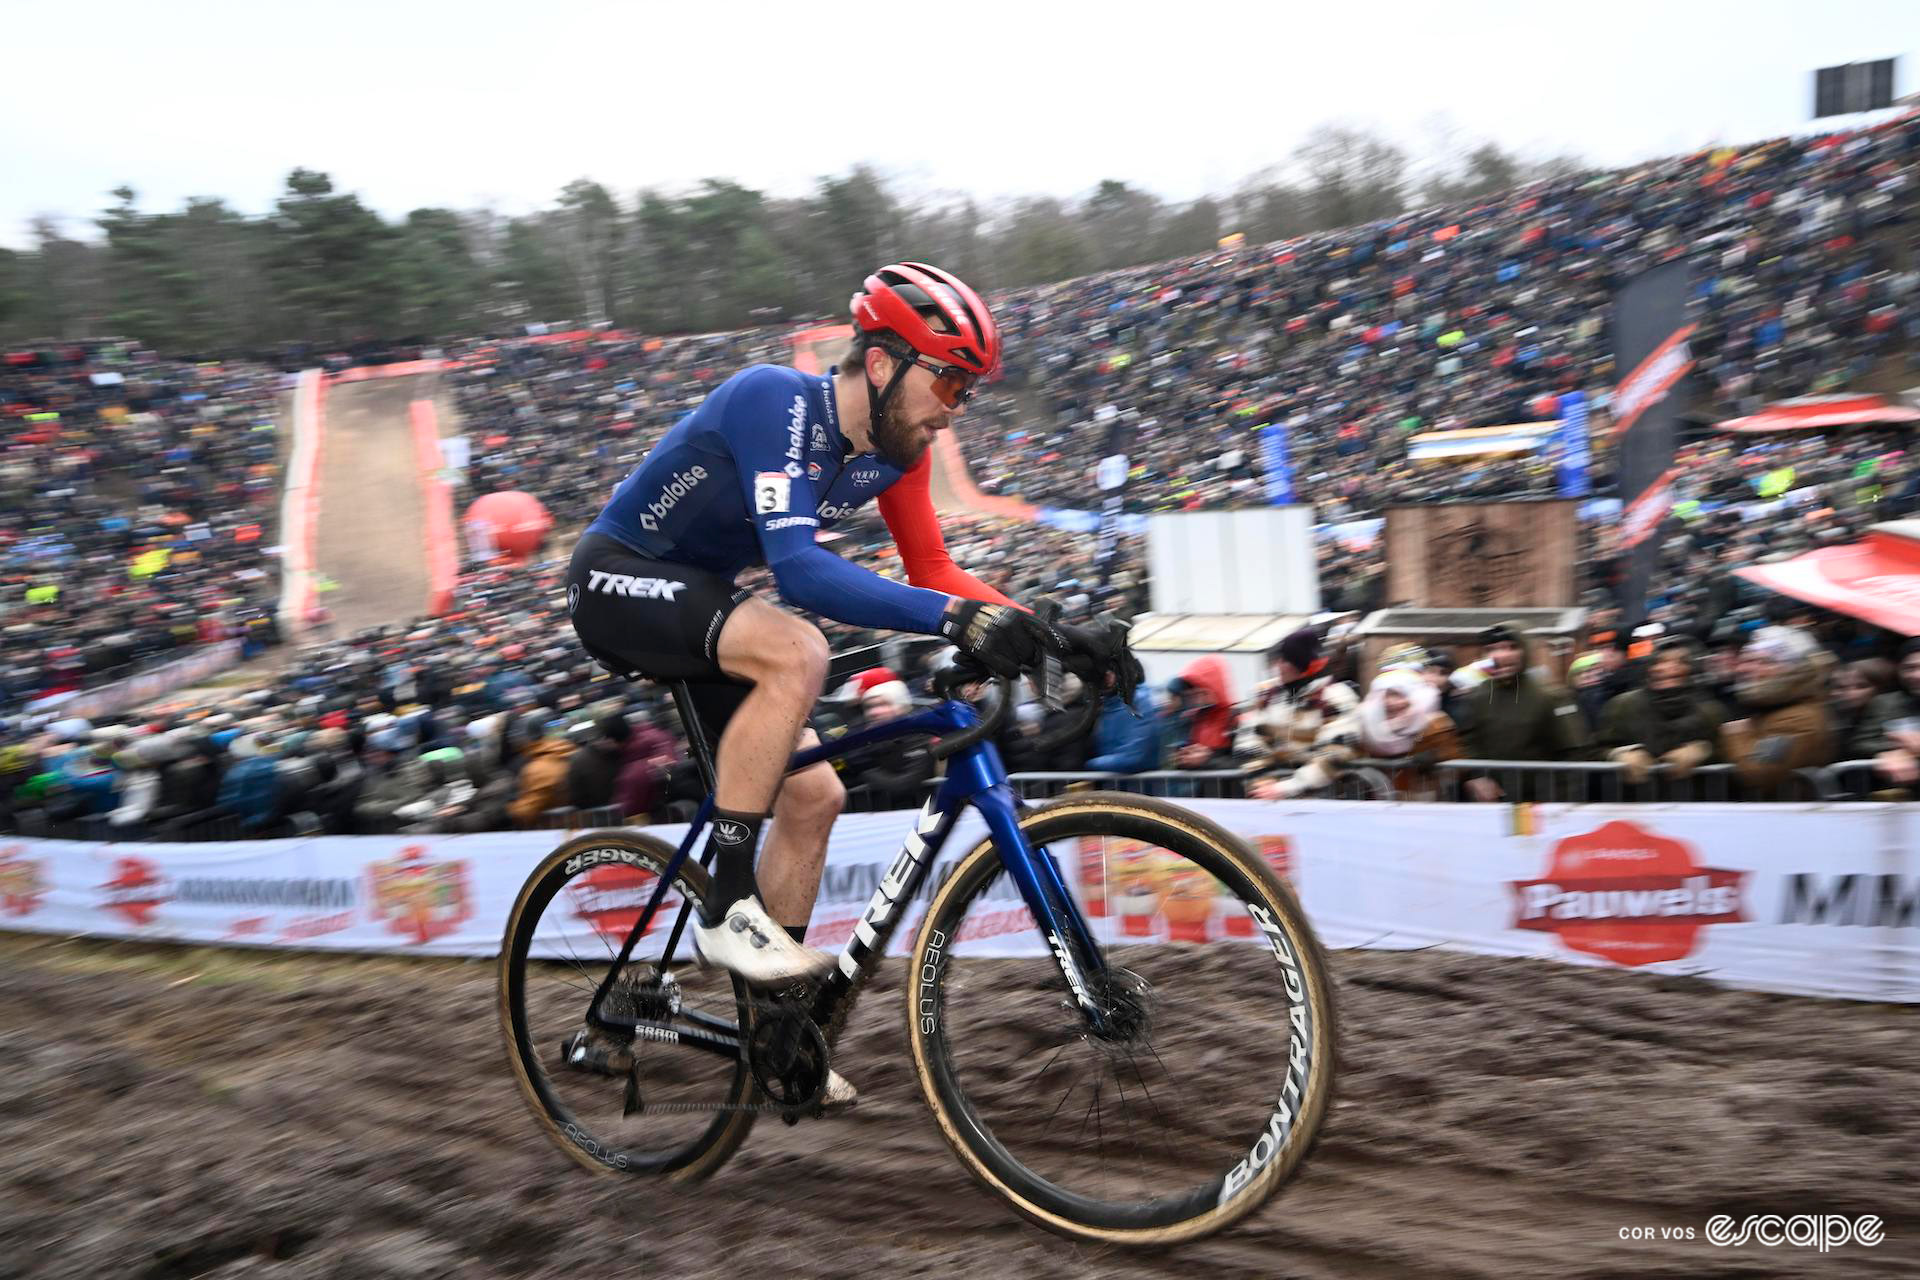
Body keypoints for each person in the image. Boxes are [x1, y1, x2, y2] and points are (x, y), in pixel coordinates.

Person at [564, 263, 1105, 1015]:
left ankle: (777, 1033)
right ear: (881, 364)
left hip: (706, 606)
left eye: (966, 392)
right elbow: (800, 574)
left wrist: (1054, 643)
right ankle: (725, 909)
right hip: (617, 580)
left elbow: (933, 566)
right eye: (949, 383)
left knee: (816, 796)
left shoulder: (896, 455)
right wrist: (952, 621)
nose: (953, 411)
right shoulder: (773, 400)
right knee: (799, 649)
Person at [1461, 621, 1590, 802]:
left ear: (1525, 651)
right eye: (1491, 649)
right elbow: (1470, 742)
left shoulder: (1550, 696)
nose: (1500, 656)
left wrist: (1560, 803)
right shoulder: (1479, 695)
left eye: (1511, 647)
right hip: (1494, 802)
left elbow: (1574, 752)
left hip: (1541, 801)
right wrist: (1477, 775)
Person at [1721, 625, 1833, 792]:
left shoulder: (1799, 719)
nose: (1744, 669)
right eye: (1747, 660)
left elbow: (1760, 773)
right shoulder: (1769, 709)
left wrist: (1737, 734)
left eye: (1763, 662)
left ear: (1794, 670)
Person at [1596, 640, 1725, 786]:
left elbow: (1731, 755)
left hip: (1694, 803)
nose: (1666, 668)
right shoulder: (1622, 705)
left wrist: (1704, 750)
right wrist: (1619, 755)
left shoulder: (1710, 710)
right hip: (1637, 801)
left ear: (1693, 669)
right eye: (1659, 661)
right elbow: (1595, 751)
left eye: (1680, 662)